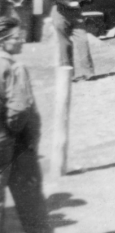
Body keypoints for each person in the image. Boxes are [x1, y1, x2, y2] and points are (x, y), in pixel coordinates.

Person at [0, 17, 51, 233]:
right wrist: (15, 132)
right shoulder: (13, 67)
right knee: (30, 201)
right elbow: (19, 110)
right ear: (3, 40)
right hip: (8, 141)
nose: (22, 41)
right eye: (18, 37)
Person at [49, 0, 95, 81]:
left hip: (76, 15)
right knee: (65, 44)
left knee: (83, 40)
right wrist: (69, 1)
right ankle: (69, 75)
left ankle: (88, 73)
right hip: (61, 13)